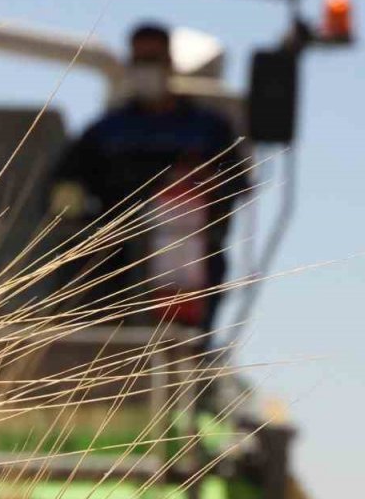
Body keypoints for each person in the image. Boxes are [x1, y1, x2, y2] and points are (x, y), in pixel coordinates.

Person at [49, 22, 247, 332]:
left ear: (169, 63)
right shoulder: (107, 130)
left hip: (186, 257)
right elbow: (64, 182)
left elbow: (237, 181)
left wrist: (197, 184)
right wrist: (71, 213)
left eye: (152, 60)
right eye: (139, 61)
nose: (146, 70)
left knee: (179, 341)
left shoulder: (208, 129)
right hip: (115, 260)